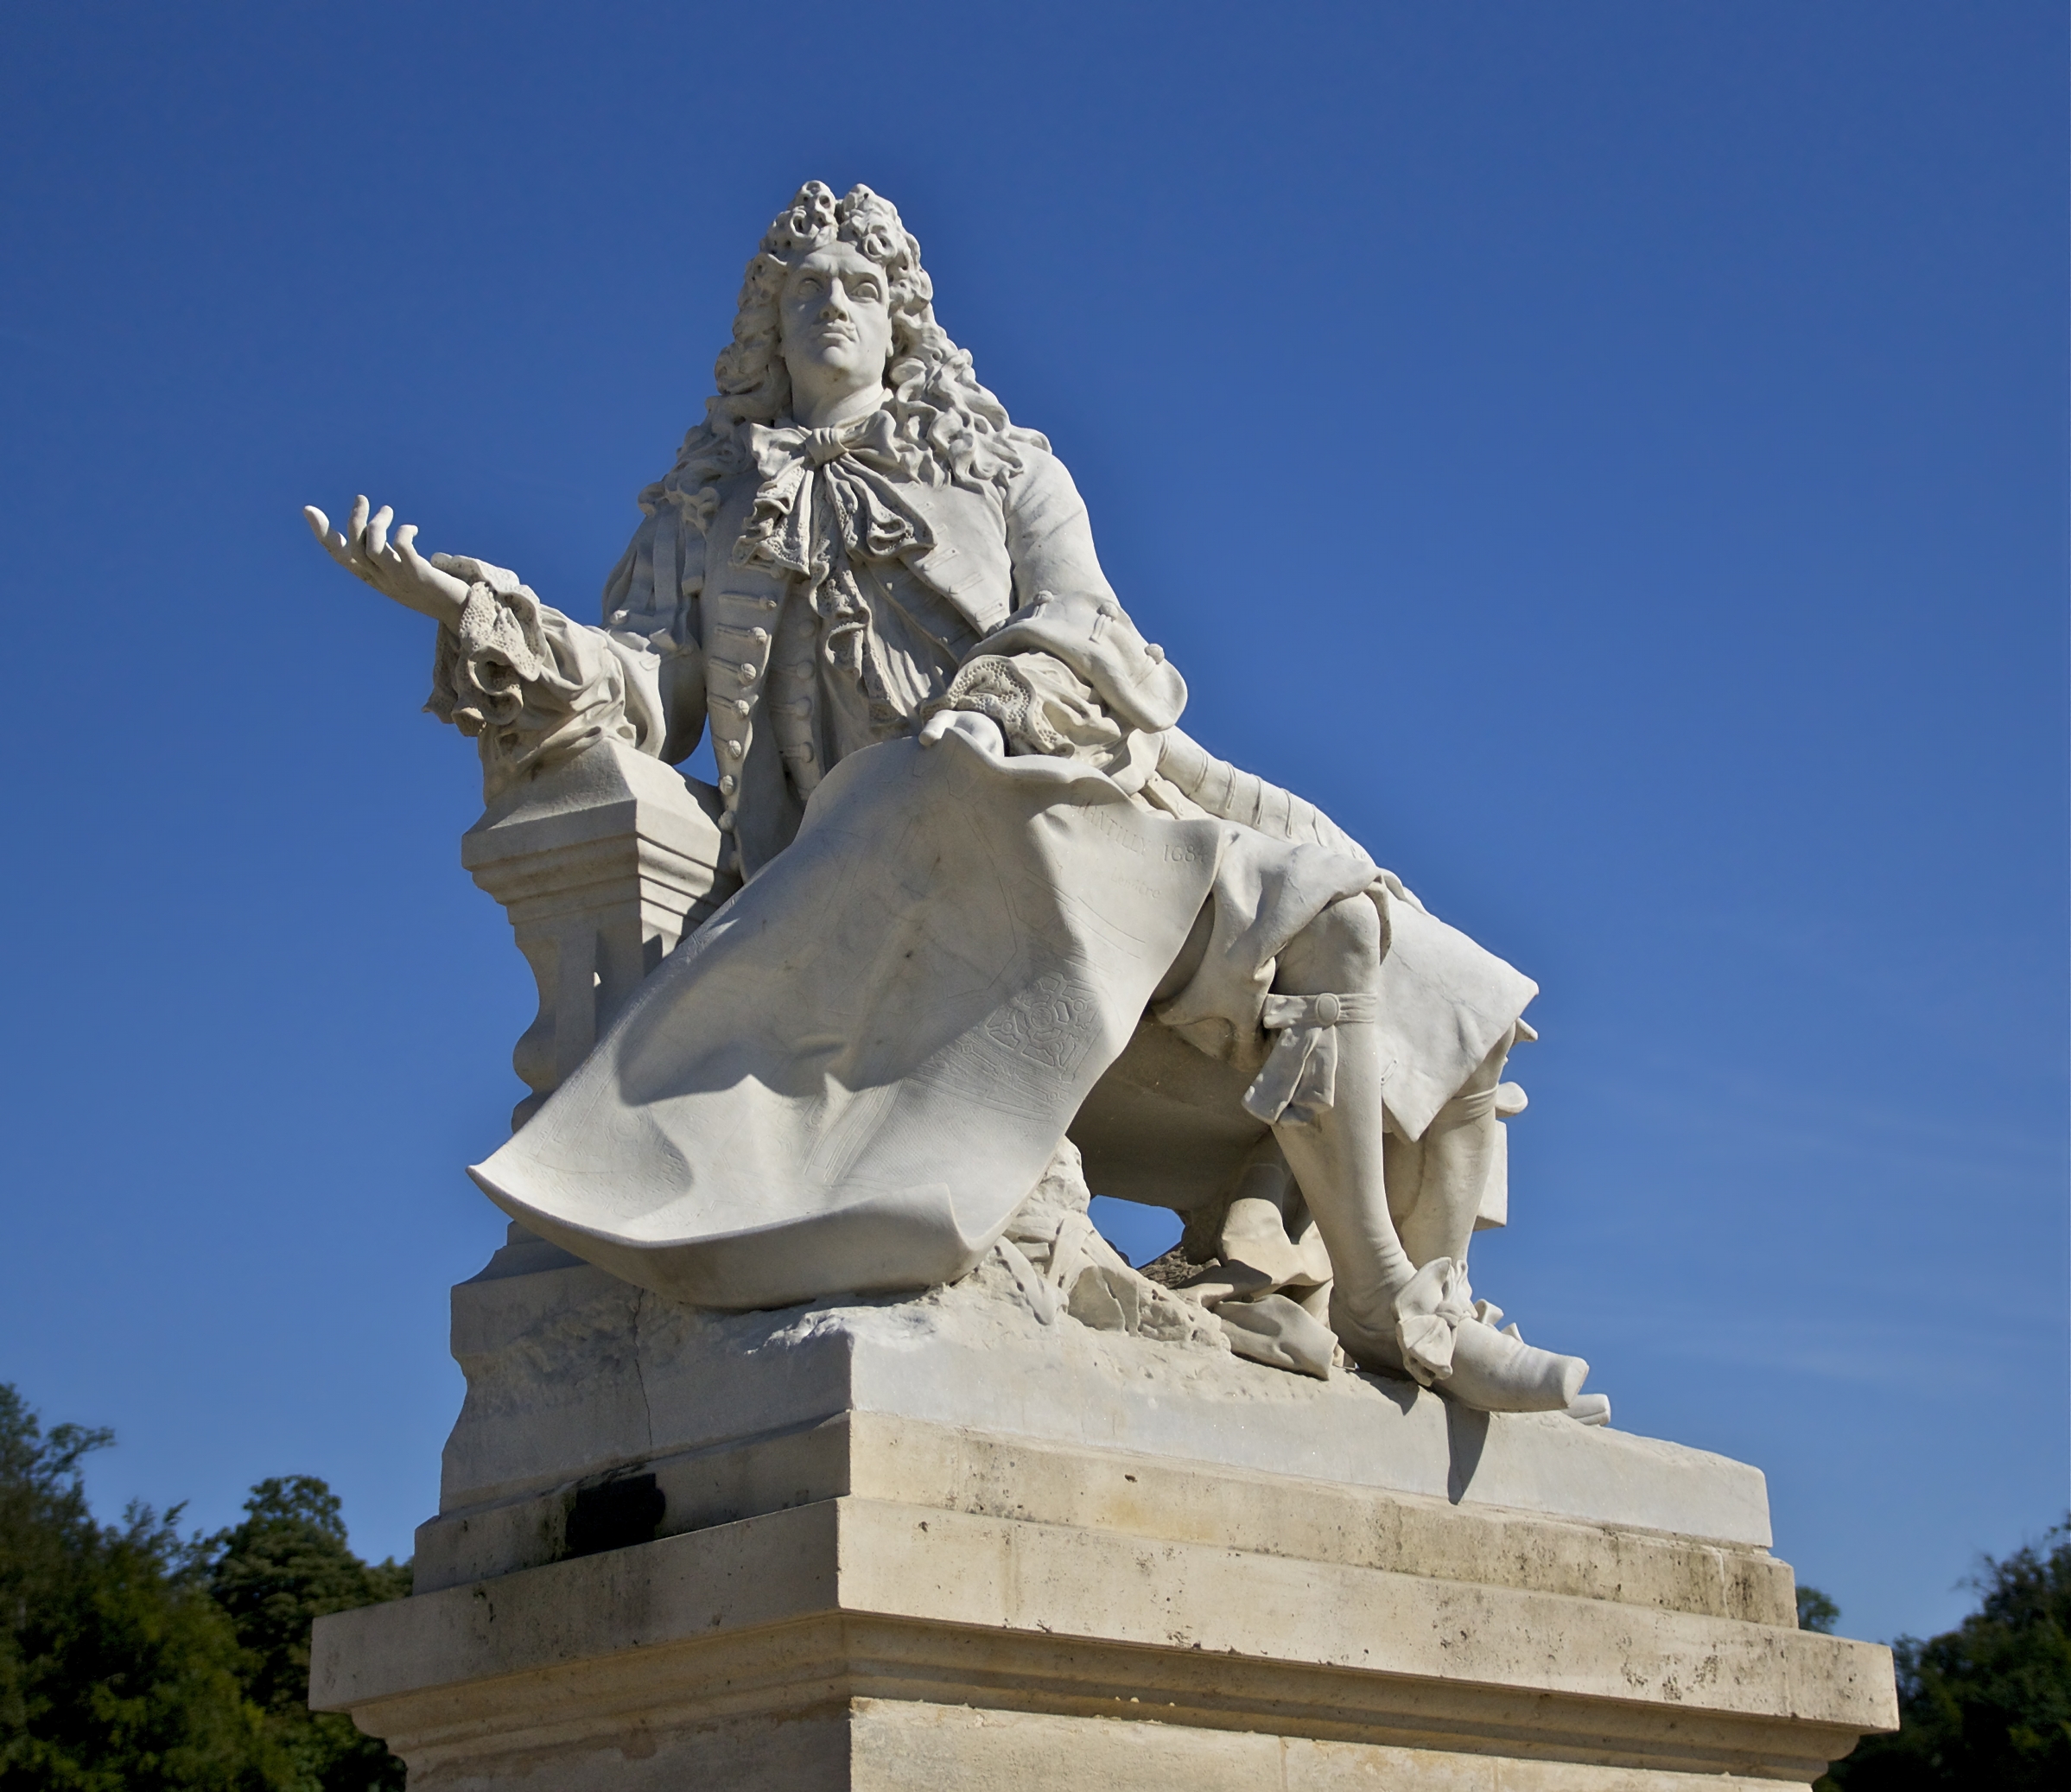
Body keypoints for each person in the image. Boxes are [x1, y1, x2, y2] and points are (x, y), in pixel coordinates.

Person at [308, 182, 1592, 1414]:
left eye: (860, 282)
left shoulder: (1005, 468)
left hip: (1050, 781)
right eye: (800, 283)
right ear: (763, 323)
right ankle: (1372, 1289)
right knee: (955, 793)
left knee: (1360, 929)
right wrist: (483, 617)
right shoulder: (704, 506)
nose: (830, 300)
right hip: (867, 849)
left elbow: (1087, 618)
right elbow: (651, 686)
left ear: (902, 315)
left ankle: (1385, 1285)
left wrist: (1002, 697)